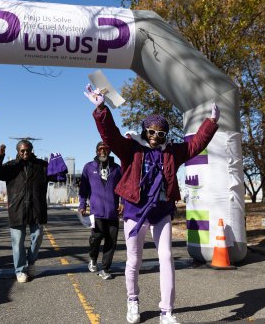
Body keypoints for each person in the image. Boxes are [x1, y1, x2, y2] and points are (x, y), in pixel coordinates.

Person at [84, 84, 220, 324]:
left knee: (166, 257)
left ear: (166, 136)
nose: (155, 137)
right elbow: (110, 136)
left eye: (161, 134)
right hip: (135, 212)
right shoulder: (131, 149)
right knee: (134, 260)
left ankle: (166, 311)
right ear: (144, 130)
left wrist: (211, 122)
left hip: (161, 212)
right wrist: (101, 109)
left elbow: (195, 144)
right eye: (151, 132)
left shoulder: (172, 152)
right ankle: (133, 301)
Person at [0, 140, 49, 283]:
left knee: (38, 236)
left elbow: (57, 176)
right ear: (18, 151)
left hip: (37, 208)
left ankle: (31, 262)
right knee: (17, 242)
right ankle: (21, 270)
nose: (25, 153)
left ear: (32, 149)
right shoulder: (11, 166)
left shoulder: (41, 165)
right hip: (17, 209)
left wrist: (58, 164)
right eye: (22, 151)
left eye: (27, 150)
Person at [78, 141, 123, 280]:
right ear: (96, 151)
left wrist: (123, 202)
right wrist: (82, 205)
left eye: (105, 149)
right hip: (95, 212)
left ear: (109, 151)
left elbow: (123, 188)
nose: (102, 151)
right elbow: (83, 189)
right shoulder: (88, 167)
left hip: (112, 212)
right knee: (96, 238)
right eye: (100, 149)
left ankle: (105, 269)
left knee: (111, 241)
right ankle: (93, 258)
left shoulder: (117, 169)